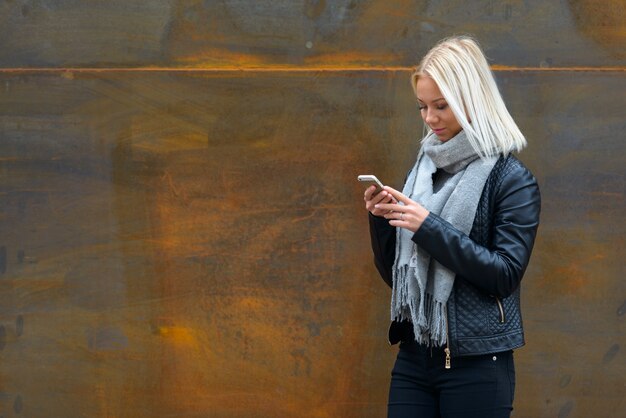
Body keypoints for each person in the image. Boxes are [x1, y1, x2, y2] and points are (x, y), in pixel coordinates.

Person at [363, 36, 541, 418]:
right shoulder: (423, 173)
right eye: (423, 107)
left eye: (441, 106)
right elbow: (398, 277)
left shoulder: (512, 180)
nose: (430, 118)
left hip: (478, 362)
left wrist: (429, 227)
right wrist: (381, 221)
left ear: (471, 99)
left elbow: (504, 274)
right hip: (414, 355)